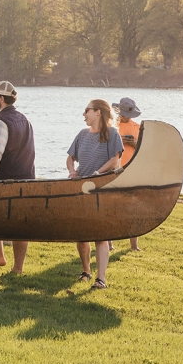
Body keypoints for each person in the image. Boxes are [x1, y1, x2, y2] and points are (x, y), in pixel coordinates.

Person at [67, 99, 125, 289]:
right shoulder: (82, 135)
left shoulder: (112, 134)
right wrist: (72, 171)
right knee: (81, 235)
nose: (84, 114)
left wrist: (98, 174)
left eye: (87, 111)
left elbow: (115, 159)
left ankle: (101, 279)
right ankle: (86, 271)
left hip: (102, 189)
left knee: (100, 235)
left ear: (98, 112)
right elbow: (70, 158)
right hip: (81, 189)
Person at [0, 81, 36, 274]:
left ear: (1, 99)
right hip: (27, 178)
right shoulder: (25, 119)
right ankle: (17, 268)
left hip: (4, 181)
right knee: (21, 224)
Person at [112, 96, 143, 252]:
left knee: (132, 208)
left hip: (131, 170)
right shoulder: (112, 126)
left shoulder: (138, 127)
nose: (126, 116)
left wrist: (133, 143)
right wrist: (119, 141)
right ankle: (108, 244)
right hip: (114, 170)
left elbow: (143, 149)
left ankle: (134, 246)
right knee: (111, 207)